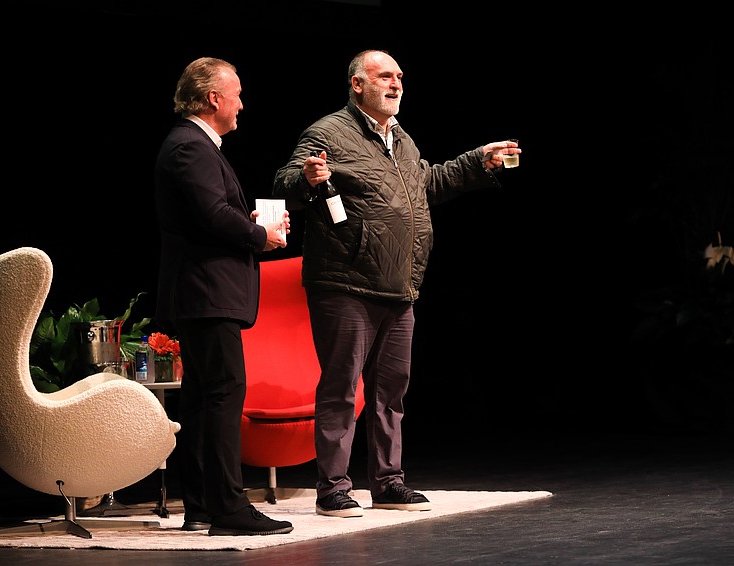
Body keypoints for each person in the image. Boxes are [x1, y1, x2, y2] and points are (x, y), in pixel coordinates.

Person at [272, 49, 520, 518]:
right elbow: (287, 181)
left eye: (400, 77)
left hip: (399, 284)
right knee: (342, 388)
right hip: (346, 282)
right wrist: (306, 179)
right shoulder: (329, 132)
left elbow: (427, 183)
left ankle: (387, 482)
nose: (396, 83)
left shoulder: (400, 140)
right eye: (385, 76)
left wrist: (477, 162)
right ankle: (333, 489)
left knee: (391, 392)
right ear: (357, 85)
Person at [154, 56, 293, 536]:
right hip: (206, 293)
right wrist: (262, 237)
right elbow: (213, 215)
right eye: (235, 93)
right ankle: (229, 509)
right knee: (222, 395)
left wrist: (253, 226)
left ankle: (202, 506)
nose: (241, 103)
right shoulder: (191, 147)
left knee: (201, 398)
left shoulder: (195, 145)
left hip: (204, 292)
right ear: (214, 98)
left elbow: (209, 214)